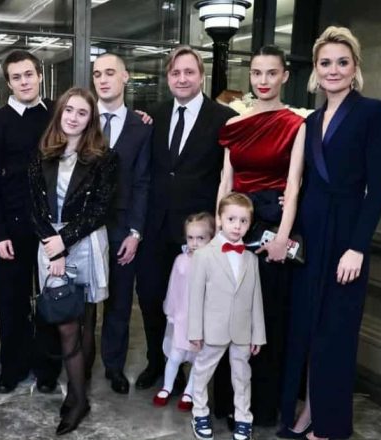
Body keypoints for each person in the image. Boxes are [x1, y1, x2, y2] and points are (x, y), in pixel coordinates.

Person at [279, 26, 381, 440]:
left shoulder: (372, 112)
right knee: (308, 328)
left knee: (336, 333)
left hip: (346, 234)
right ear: (315, 69)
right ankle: (309, 410)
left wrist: (357, 247)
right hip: (312, 236)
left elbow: (377, 189)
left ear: (355, 67)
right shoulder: (310, 121)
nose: (333, 70)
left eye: (342, 62)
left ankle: (329, 424)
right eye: (325, 62)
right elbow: (303, 182)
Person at [213, 45, 306, 428]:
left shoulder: (294, 124)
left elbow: (294, 186)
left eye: (271, 73)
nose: (263, 80)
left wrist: (282, 238)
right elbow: (226, 181)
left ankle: (262, 408)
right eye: (256, 73)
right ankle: (227, 404)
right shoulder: (235, 124)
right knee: (229, 317)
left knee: (265, 320)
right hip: (235, 224)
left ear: (285, 76)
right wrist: (219, 232)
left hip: (272, 228)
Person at [135, 45, 237, 390]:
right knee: (151, 297)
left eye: (189, 72)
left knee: (193, 304)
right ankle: (158, 362)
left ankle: (194, 370)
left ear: (201, 76)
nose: (182, 78)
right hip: (155, 226)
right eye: (175, 72)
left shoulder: (224, 118)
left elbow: (229, 175)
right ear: (168, 77)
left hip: (198, 232)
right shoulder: (154, 115)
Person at [29, 87, 118, 435]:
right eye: (69, 110)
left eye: (82, 112)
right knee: (66, 322)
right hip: (50, 245)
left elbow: (99, 210)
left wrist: (64, 242)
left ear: (90, 119)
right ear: (60, 113)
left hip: (86, 241)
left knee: (86, 321)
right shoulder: (42, 153)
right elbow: (34, 207)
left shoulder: (104, 157)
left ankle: (78, 395)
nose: (73, 117)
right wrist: (54, 247)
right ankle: (79, 398)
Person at [0, 50, 61, 394]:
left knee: (49, 299)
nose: (24, 82)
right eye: (16, 77)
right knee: (11, 302)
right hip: (12, 227)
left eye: (29, 74)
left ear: (40, 75)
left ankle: (47, 368)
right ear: (8, 83)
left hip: (51, 227)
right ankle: (11, 368)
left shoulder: (57, 112)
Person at [91, 53, 152, 394]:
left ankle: (113, 367)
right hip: (83, 229)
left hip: (122, 228)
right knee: (84, 304)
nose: (103, 79)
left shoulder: (141, 126)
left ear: (125, 77)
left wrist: (135, 232)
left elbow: (142, 182)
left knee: (118, 303)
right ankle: (80, 363)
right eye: (97, 74)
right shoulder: (81, 118)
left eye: (110, 73)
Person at [188, 192, 266, 440]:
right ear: (220, 219)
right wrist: (195, 331)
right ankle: (199, 412)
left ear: (249, 224)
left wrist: (258, 334)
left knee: (242, 377)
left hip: (242, 330)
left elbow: (256, 299)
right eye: (231, 219)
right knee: (202, 372)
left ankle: (244, 418)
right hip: (212, 328)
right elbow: (195, 298)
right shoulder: (203, 255)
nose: (237, 225)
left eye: (243, 221)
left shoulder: (251, 259)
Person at [153, 212, 215, 410]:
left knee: (198, 358)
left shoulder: (213, 264)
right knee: (175, 355)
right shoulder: (180, 260)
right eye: (190, 238)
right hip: (182, 316)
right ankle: (167, 386)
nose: (194, 243)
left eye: (200, 238)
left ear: (211, 238)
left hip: (202, 320)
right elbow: (174, 287)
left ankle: (189, 391)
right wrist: (171, 312)